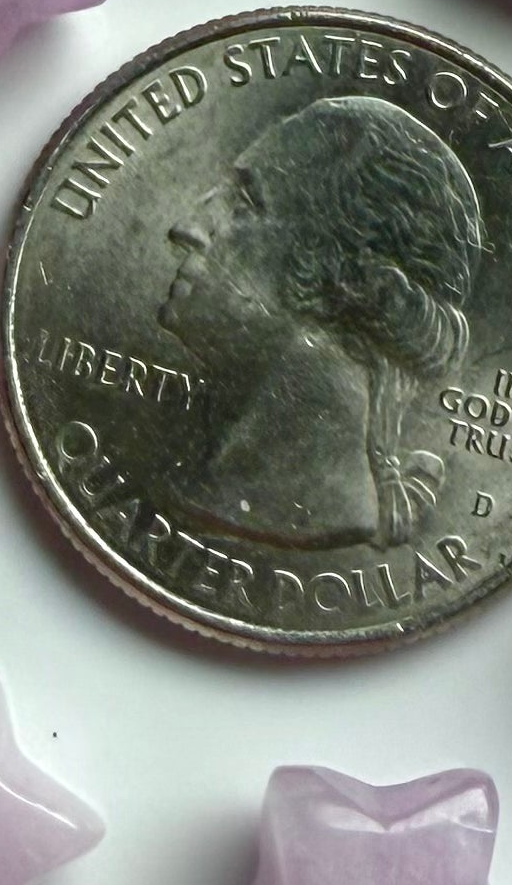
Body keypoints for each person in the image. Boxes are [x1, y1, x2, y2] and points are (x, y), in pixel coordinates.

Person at [160, 91, 484, 549]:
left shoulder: (279, 501)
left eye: (246, 204)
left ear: (341, 269)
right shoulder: (221, 478)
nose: (186, 227)